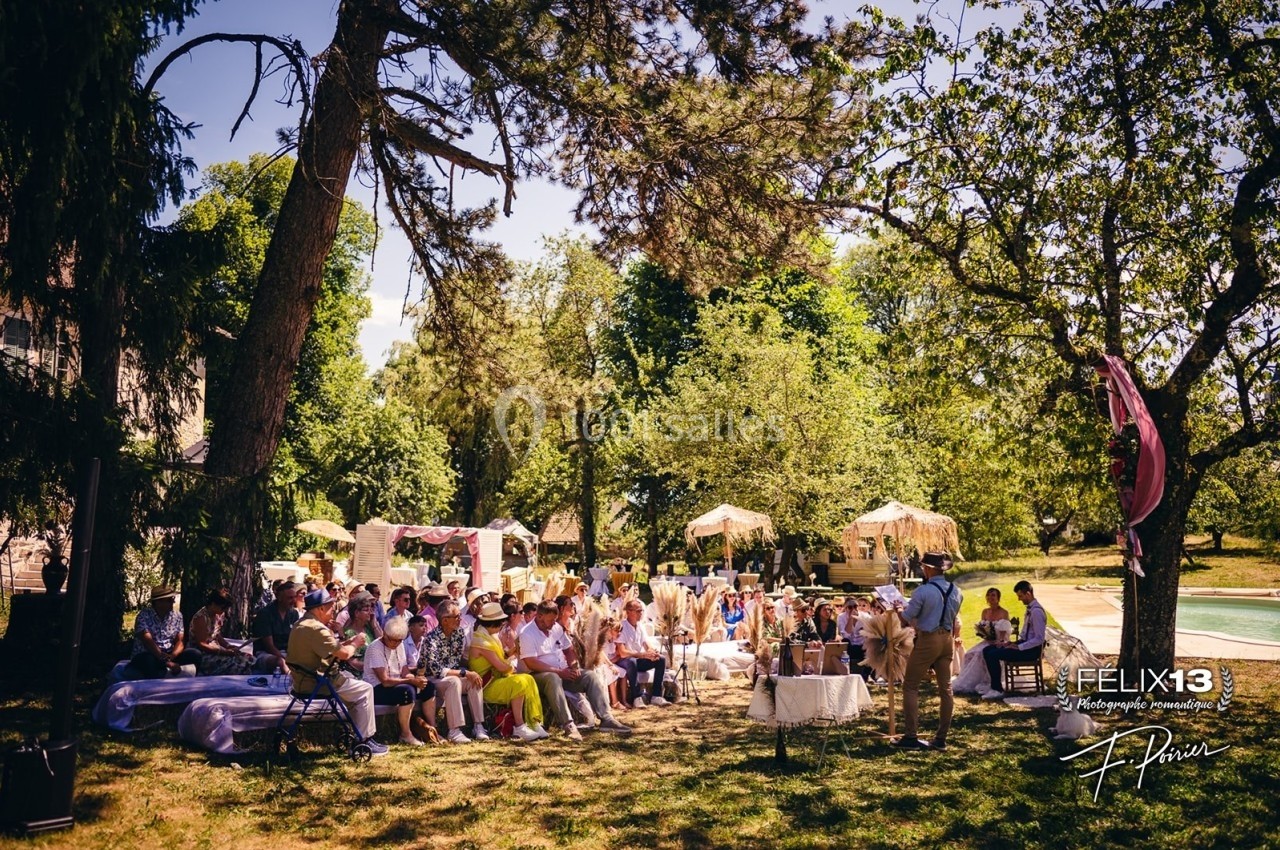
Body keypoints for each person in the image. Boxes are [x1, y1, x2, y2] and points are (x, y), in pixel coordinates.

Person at [288, 588, 387, 756]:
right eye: (330, 607)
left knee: (358, 690)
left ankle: (359, 734)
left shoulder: (301, 624)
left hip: (301, 682)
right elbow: (344, 654)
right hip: (320, 683)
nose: (333, 610)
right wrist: (355, 643)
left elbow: (331, 648)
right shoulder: (317, 629)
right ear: (320, 608)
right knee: (365, 689)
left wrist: (346, 641)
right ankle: (364, 739)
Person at [519, 600, 632, 740]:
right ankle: (568, 725)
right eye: (550, 620)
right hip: (537, 676)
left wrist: (574, 665)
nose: (553, 623)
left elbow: (569, 650)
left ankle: (606, 718)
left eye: (555, 620)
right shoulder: (527, 633)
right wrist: (558, 672)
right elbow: (531, 663)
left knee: (590, 676)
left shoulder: (556, 627)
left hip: (561, 671)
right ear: (540, 616)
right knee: (552, 678)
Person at [895, 552, 962, 751]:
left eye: (924, 567)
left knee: (910, 685)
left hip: (928, 639)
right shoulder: (957, 591)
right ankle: (941, 738)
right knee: (946, 688)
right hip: (947, 639)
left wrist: (897, 608)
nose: (923, 569)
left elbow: (906, 618)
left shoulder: (923, 591)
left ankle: (910, 735)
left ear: (929, 569)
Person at [468, 601, 548, 742]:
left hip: (496, 680)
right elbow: (501, 667)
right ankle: (519, 726)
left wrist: (513, 650)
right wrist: (513, 667)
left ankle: (533, 722)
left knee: (528, 679)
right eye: (500, 622)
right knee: (519, 681)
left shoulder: (489, 636)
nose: (502, 625)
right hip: (485, 686)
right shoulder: (481, 641)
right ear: (495, 622)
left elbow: (501, 658)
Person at [421, 600, 489, 744]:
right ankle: (454, 730)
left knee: (473, 679)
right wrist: (464, 673)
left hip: (452, 676)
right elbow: (436, 669)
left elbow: (458, 662)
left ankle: (478, 726)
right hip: (432, 679)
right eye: (457, 616)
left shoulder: (458, 634)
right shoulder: (431, 639)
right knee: (454, 681)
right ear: (445, 620)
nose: (460, 619)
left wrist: (470, 673)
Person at [363, 616, 437, 747]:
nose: (394, 644)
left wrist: (415, 679)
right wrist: (410, 682)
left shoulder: (400, 644)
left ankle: (433, 728)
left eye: (398, 641)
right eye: (391, 640)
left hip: (397, 683)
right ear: (385, 634)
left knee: (428, 687)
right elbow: (385, 681)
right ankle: (405, 734)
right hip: (377, 688)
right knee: (407, 691)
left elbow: (404, 671)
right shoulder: (375, 648)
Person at [981, 581, 1046, 700]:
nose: (1019, 599)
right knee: (987, 650)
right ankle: (994, 686)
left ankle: (997, 689)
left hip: (1031, 651)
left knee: (992, 655)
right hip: (1024, 645)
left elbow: (1039, 638)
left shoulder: (1036, 611)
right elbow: (1027, 636)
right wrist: (1011, 643)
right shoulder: (1030, 609)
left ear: (1028, 593)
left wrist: (1019, 647)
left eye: (1020, 596)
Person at [124, 585, 201, 678]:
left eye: (172, 599)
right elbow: (148, 641)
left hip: (169, 654)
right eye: (169, 600)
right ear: (158, 602)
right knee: (149, 660)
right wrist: (166, 662)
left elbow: (180, 641)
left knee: (195, 654)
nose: (173, 602)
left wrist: (173, 655)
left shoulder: (177, 616)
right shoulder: (144, 616)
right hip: (149, 654)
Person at [952, 588, 1013, 695]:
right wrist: (985, 634)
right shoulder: (985, 612)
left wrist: (999, 641)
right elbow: (983, 629)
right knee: (969, 653)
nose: (991, 598)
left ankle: (989, 680)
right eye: (988, 595)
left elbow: (1004, 633)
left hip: (1001, 642)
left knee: (980, 654)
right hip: (988, 641)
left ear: (998, 598)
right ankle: (973, 680)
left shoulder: (1004, 612)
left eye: (993, 595)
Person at [614, 600, 670, 709]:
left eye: (642, 611)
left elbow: (646, 644)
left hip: (638, 658)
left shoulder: (640, 626)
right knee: (631, 661)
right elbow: (622, 652)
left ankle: (656, 696)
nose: (641, 613)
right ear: (629, 612)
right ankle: (636, 697)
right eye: (638, 611)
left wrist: (652, 652)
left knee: (660, 659)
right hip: (626, 660)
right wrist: (642, 655)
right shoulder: (622, 626)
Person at [190, 587, 255, 676]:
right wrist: (224, 652)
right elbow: (202, 644)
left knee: (248, 658)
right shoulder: (201, 618)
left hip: (217, 649)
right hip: (203, 654)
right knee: (235, 665)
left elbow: (216, 634)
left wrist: (228, 646)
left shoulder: (218, 615)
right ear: (213, 604)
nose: (224, 611)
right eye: (222, 608)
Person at [252, 580, 300, 673]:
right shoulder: (265, 614)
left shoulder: (294, 614)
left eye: (294, 597)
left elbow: (295, 640)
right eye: (290, 598)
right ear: (279, 598)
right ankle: (291, 682)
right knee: (280, 663)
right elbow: (269, 646)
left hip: (287, 653)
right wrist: (286, 660)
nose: (293, 601)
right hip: (266, 653)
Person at [341, 593, 382, 675]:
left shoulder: (368, 628)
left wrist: (374, 624)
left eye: (370, 609)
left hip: (375, 671)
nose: (370, 613)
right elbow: (353, 662)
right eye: (366, 610)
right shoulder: (350, 633)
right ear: (356, 613)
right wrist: (373, 668)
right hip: (360, 675)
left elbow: (382, 642)